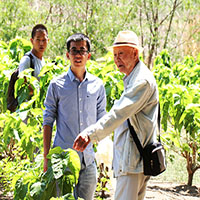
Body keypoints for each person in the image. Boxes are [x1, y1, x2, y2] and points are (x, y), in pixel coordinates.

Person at [73, 30, 159, 200]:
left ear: (135, 53)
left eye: (121, 53)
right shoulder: (133, 78)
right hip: (134, 160)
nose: (116, 59)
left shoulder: (141, 81)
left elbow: (118, 114)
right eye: (114, 54)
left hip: (133, 160)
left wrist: (90, 134)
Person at [43, 33, 107, 200]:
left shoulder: (98, 85)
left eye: (82, 50)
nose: (78, 55)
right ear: (67, 54)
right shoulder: (56, 85)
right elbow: (48, 121)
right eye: (74, 50)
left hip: (88, 161)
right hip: (63, 161)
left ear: (88, 55)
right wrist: (46, 158)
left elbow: (103, 121)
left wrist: (103, 155)